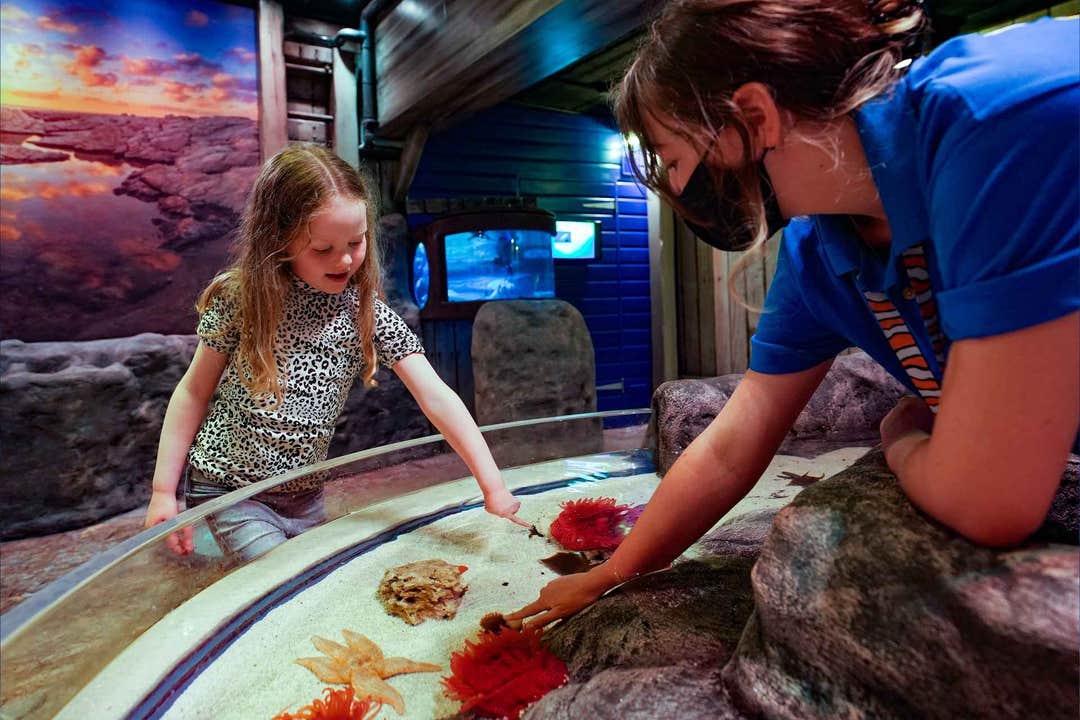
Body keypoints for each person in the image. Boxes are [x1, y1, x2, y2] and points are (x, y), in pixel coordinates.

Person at [510, 0, 1078, 630]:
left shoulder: (998, 114)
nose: (677, 189)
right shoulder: (820, 250)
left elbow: (988, 500)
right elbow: (731, 445)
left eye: (673, 160)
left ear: (755, 116)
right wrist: (611, 574)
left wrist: (901, 440)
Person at [144, 145, 528, 562]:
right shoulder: (243, 300)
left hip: (305, 494)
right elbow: (193, 391)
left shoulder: (365, 312)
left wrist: (493, 486)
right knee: (284, 579)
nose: (344, 259)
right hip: (231, 488)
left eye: (355, 242)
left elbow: (434, 394)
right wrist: (163, 490)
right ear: (279, 240)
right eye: (322, 249)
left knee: (313, 579)